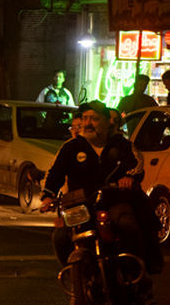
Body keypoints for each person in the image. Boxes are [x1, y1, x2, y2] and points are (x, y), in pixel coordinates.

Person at [40, 101, 162, 274]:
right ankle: (72, 275)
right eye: (85, 118)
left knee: (129, 226)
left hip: (114, 202)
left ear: (107, 122)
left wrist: (129, 177)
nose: (88, 123)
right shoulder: (71, 147)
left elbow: (137, 164)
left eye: (95, 119)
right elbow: (55, 173)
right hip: (80, 205)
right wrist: (48, 195)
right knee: (60, 237)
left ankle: (135, 272)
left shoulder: (122, 145)